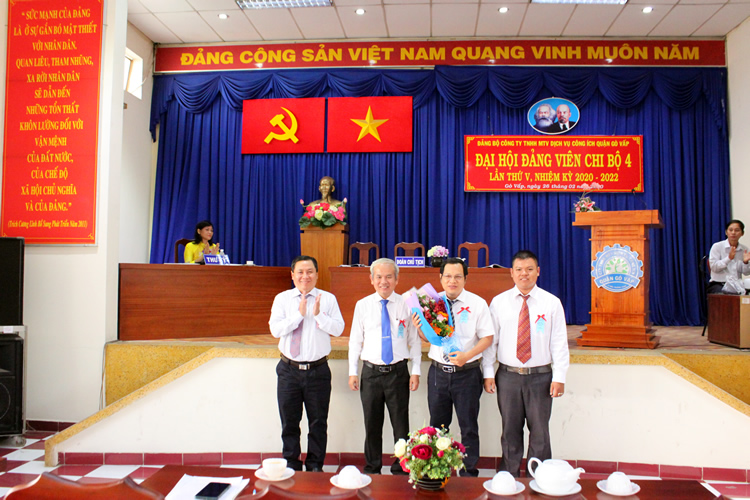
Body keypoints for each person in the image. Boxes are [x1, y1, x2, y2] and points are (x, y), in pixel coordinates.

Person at [482, 250, 569, 478]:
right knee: (510, 430)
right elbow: (491, 342)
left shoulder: (551, 303)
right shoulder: (499, 303)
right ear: (511, 273)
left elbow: (559, 343)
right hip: (508, 376)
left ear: (537, 272)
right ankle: (508, 478)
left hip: (541, 377)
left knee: (540, 432)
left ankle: (539, 478)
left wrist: (559, 377)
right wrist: (488, 373)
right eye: (519, 270)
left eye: (529, 269)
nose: (524, 274)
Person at [412, 257, 494, 477]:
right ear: (440, 278)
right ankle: (437, 472)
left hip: (467, 374)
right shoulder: (430, 302)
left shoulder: (477, 303)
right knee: (437, 427)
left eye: (458, 276)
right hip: (438, 373)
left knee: (469, 427)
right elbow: (428, 338)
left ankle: (468, 474)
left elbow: (487, 338)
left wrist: (467, 356)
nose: (452, 281)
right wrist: (420, 328)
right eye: (447, 276)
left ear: (465, 278)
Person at [268, 255, 345, 472]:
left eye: (310, 272)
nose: (305, 276)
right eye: (300, 272)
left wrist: (319, 316)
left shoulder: (327, 299)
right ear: (292, 275)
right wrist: (298, 316)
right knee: (289, 423)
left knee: (318, 424)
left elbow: (338, 329)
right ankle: (291, 467)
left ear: (317, 275)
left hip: (318, 371)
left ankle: (315, 468)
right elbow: (275, 330)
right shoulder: (282, 299)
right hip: (288, 370)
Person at [348, 258, 421, 475]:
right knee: (372, 426)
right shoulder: (362, 305)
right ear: (371, 280)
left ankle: (401, 469)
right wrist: (353, 371)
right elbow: (355, 341)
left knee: (401, 426)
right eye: (379, 277)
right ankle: (373, 469)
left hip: (398, 373)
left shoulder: (407, 304)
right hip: (370, 374)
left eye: (389, 277)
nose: (384, 281)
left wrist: (416, 371)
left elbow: (415, 340)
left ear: (397, 280)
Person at [708, 219, 750, 294]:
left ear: (742, 233)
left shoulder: (744, 249)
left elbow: (746, 273)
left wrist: (745, 262)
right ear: (726, 232)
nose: (733, 233)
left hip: (737, 285)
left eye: (737, 230)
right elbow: (714, 267)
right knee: (725, 296)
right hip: (719, 284)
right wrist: (729, 258)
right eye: (730, 230)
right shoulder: (717, 246)